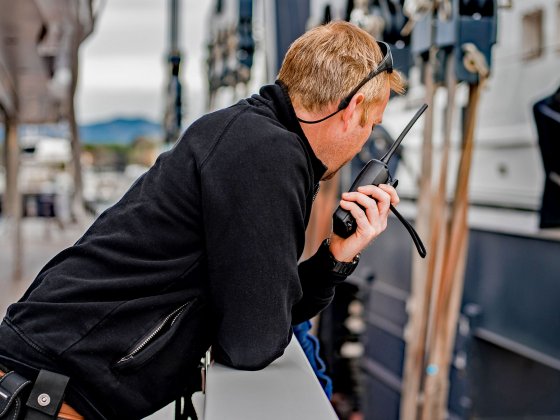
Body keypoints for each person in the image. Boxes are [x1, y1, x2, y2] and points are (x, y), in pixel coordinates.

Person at [0, 21, 405, 420]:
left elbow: (261, 308)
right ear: (352, 110)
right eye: (371, 124)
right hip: (43, 397)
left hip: (40, 382)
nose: (365, 141)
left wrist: (335, 256)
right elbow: (252, 343)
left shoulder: (251, 134)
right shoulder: (267, 155)